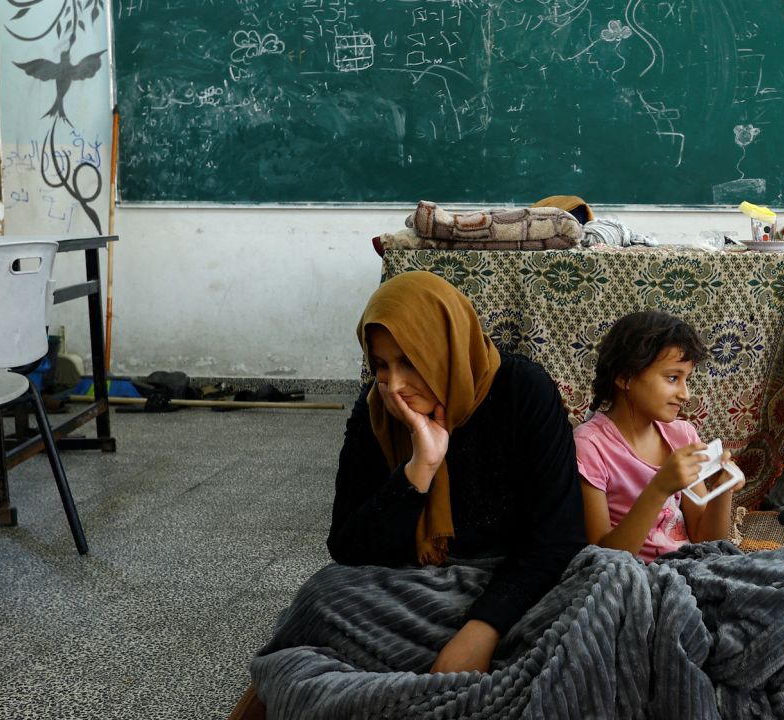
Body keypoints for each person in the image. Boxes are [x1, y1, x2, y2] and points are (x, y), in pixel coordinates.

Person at [231, 270, 587, 719]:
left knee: (602, 594)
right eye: (381, 365)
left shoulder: (521, 390)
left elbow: (559, 539)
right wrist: (420, 469)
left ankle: (426, 682)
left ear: (444, 348)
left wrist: (481, 630)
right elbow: (348, 548)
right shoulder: (377, 409)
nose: (394, 384)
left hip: (516, 588)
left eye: (410, 361)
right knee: (321, 597)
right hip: (416, 592)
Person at [574, 310, 744, 562]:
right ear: (625, 377)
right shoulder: (589, 446)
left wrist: (722, 489)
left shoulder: (683, 435)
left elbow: (706, 542)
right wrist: (660, 487)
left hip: (691, 566)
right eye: (673, 378)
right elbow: (602, 558)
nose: (685, 394)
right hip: (635, 577)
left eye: (687, 379)